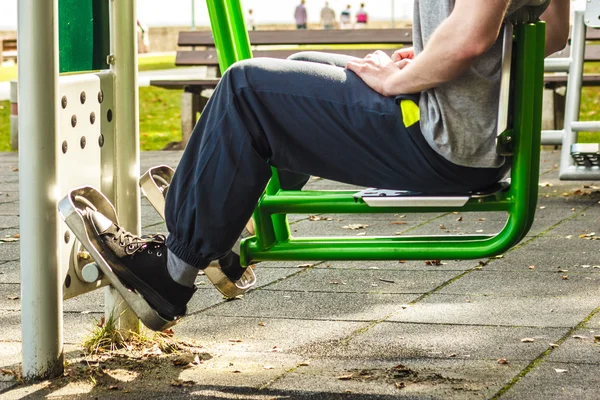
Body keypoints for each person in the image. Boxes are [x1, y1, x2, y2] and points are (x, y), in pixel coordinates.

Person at [88, 0, 570, 324]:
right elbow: (554, 32)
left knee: (246, 88)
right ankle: (225, 223)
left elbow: (467, 40)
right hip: (465, 135)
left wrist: (397, 82)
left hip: (438, 138)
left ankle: (172, 273)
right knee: (301, 64)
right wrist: (425, 62)